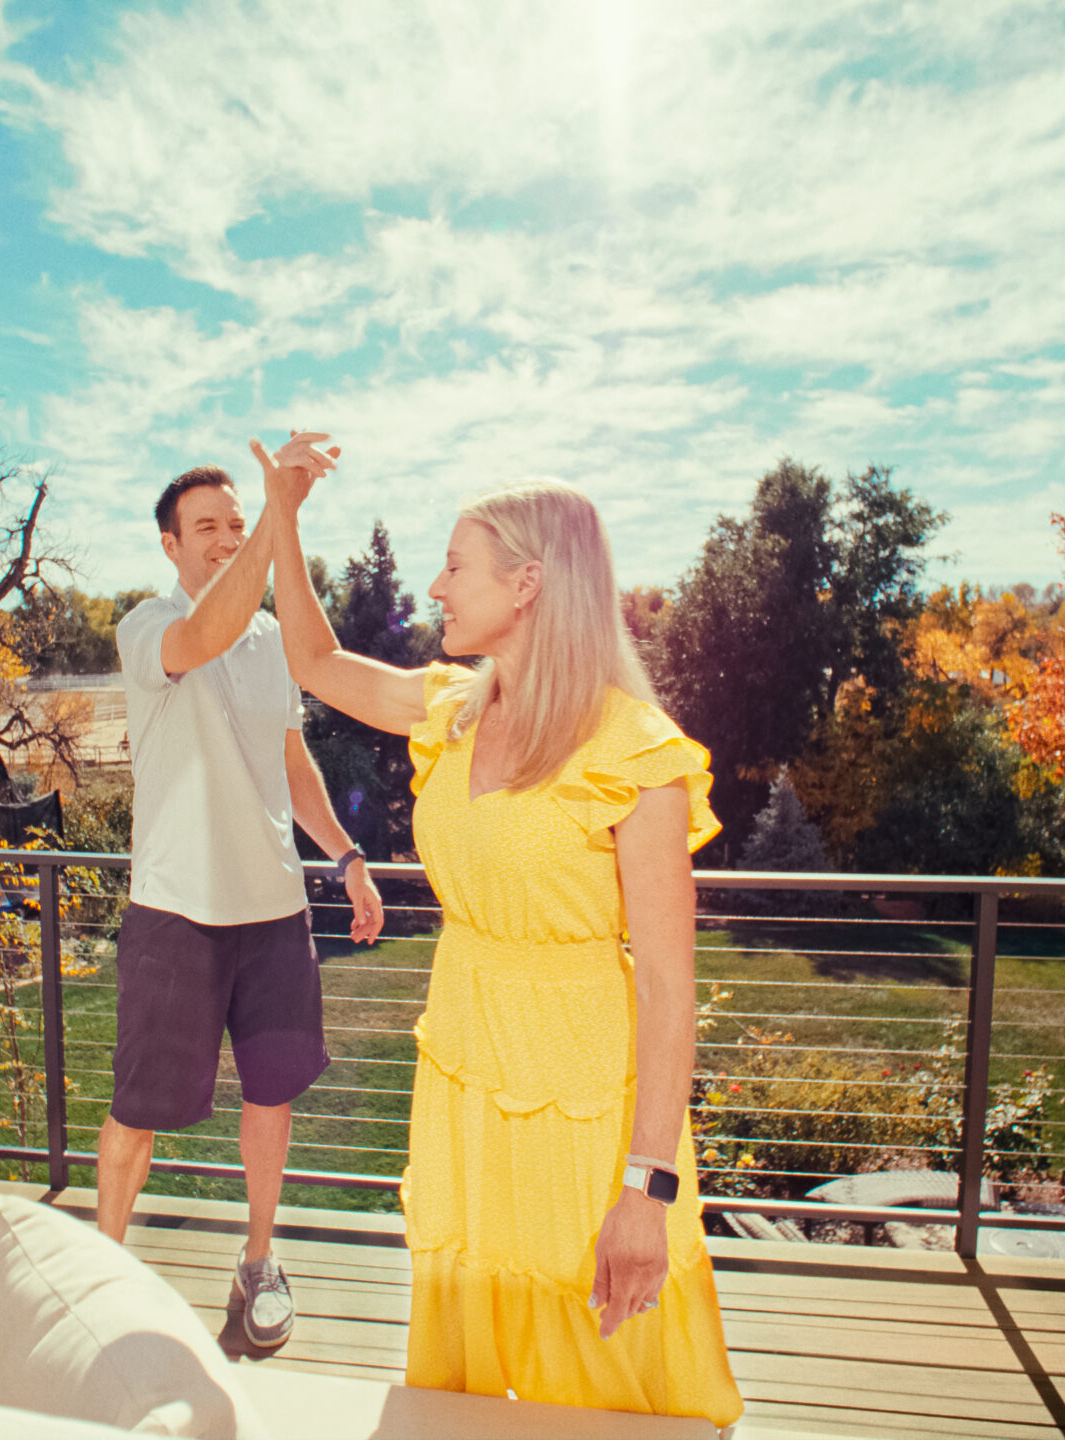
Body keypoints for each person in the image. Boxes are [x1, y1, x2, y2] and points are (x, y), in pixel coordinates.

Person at [268, 477, 743, 1425]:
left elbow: (668, 989)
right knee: (470, 1352)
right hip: (464, 1066)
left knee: (605, 1362)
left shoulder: (635, 753)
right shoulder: (452, 708)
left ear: (527, 584)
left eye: (454, 565)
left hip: (582, 1099)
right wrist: (281, 513)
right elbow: (315, 660)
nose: (436, 587)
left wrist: (647, 1191)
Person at [101, 434, 384, 1350]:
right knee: (138, 1111)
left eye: (235, 521)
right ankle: (103, 1273)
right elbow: (205, 631)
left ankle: (259, 1259)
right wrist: (277, 512)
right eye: (208, 526)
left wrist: (345, 857)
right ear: (170, 545)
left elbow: (290, 760)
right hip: (176, 914)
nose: (226, 536)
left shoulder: (271, 643)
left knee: (273, 1099)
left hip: (275, 918)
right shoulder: (148, 628)